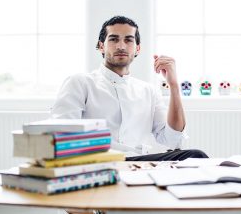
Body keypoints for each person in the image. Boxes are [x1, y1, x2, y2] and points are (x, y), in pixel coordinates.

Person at [51, 16, 208, 161]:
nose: (121, 46)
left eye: (128, 40)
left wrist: (174, 85)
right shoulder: (80, 83)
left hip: (139, 163)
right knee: (197, 155)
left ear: (137, 49)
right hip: (100, 161)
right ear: (101, 46)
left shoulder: (149, 91)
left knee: (194, 158)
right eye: (113, 39)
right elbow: (63, 136)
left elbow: (172, 140)